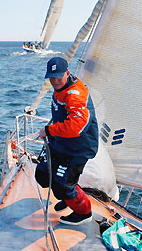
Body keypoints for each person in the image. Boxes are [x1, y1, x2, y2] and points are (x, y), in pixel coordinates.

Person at [36, 56, 99, 225]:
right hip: (62, 142)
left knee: (63, 184)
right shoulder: (61, 86)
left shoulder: (75, 94)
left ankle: (83, 212)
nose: (54, 80)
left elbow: (76, 127)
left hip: (78, 147)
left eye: (58, 76)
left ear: (67, 73)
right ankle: (69, 197)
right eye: (51, 77)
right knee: (43, 174)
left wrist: (48, 130)